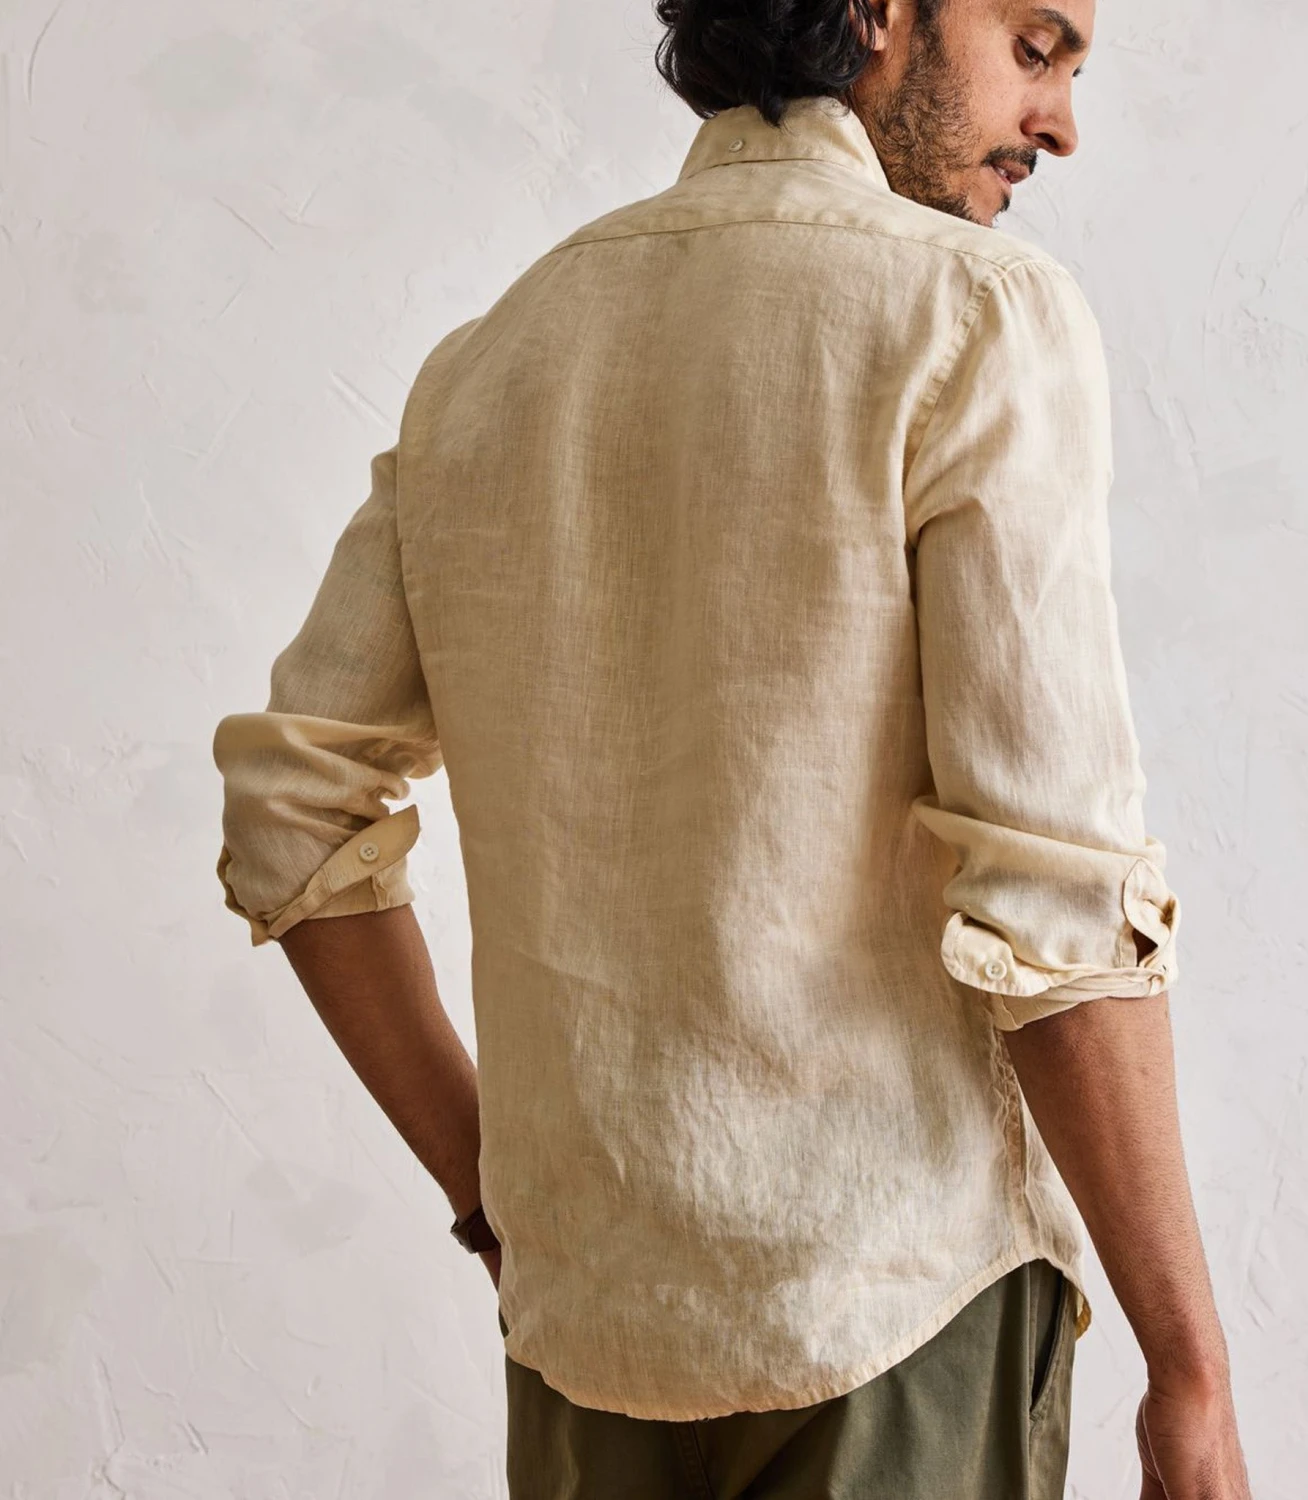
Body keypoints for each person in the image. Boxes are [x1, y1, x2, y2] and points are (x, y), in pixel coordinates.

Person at [211, 0, 1254, 1494]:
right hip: (897, 1310)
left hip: (587, 1342)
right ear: (873, 12)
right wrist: (1191, 1368)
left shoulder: (497, 357)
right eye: (1033, 48)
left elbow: (289, 810)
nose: (1062, 125)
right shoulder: (973, 314)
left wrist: (493, 1193)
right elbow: (1057, 893)